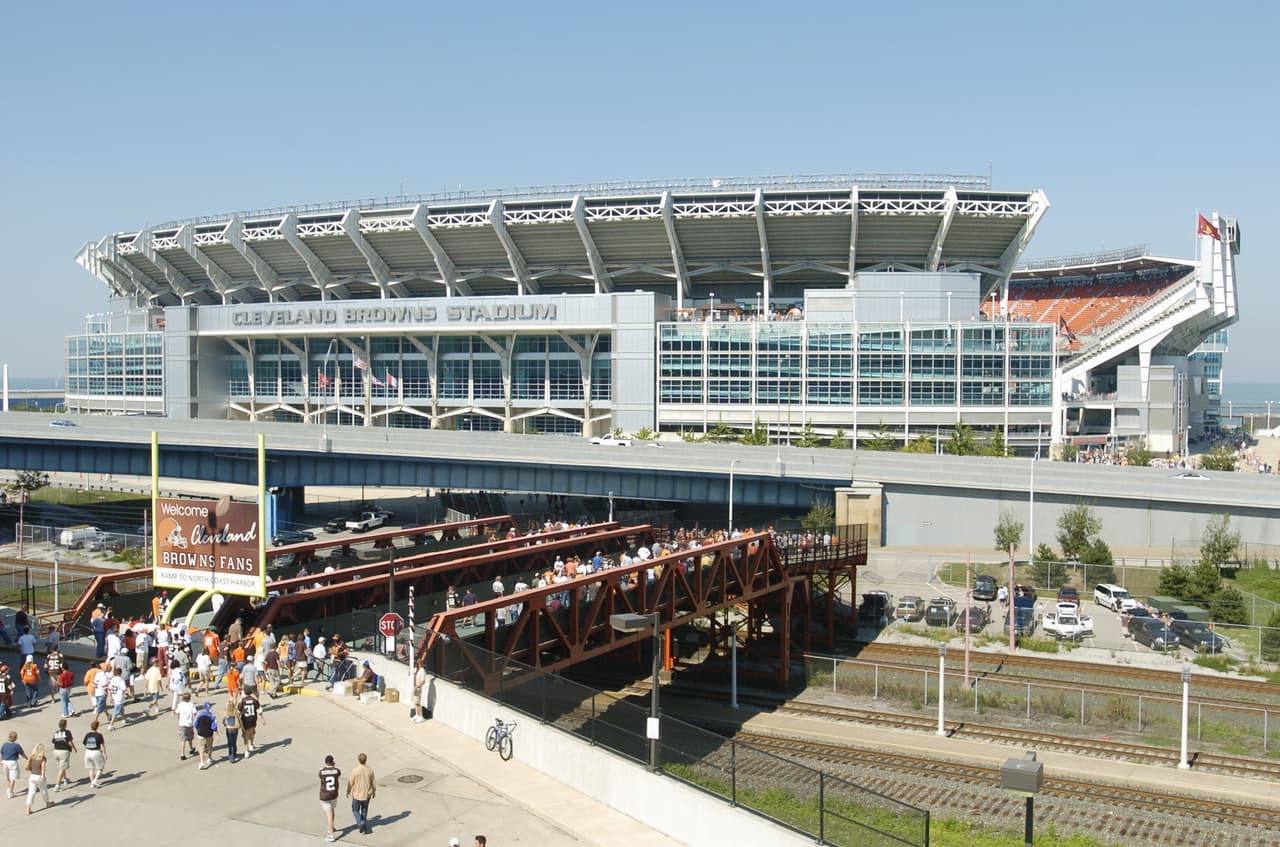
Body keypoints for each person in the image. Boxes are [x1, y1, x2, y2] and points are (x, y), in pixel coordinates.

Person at [346, 752, 376, 835]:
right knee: (364, 810)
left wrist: (348, 791)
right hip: (367, 794)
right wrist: (374, 791)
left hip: (357, 794)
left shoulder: (355, 770)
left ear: (358, 760)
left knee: (355, 810)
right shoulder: (370, 770)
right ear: (366, 760)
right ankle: (364, 824)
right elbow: (373, 782)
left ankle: (360, 822)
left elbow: (351, 782)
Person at [318, 754, 341, 842]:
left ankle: (331, 835)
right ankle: (332, 827)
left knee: (329, 815)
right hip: (334, 794)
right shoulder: (337, 771)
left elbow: (320, 775)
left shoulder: (322, 771)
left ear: (325, 762)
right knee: (332, 811)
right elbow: (337, 773)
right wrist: (333, 767)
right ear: (333, 762)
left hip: (325, 795)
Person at [24, 742, 52, 814]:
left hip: (32, 776)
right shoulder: (43, 758)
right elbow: (43, 768)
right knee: (43, 790)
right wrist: (43, 776)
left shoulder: (32, 756)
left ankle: (28, 809)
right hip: (39, 776)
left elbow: (30, 766)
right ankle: (47, 803)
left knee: (31, 793)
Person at [50, 719, 75, 791]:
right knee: (61, 768)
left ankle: (65, 779)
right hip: (64, 751)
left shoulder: (56, 732)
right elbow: (70, 742)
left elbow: (54, 741)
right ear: (65, 725)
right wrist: (74, 748)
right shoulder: (67, 732)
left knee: (62, 766)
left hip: (56, 751)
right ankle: (57, 785)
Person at [193, 701, 218, 769]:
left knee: (201, 748)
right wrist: (217, 733)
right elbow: (214, 727)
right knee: (210, 747)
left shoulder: (199, 715)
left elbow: (195, 724)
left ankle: (201, 762)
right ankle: (209, 758)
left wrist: (197, 730)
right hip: (209, 734)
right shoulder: (212, 716)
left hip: (200, 734)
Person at [2, 731, 26, 799]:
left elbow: (2, 753)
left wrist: (1, 761)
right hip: (12, 762)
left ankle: (9, 788)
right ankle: (10, 792)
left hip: (4, 762)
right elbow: (22, 753)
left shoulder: (4, 745)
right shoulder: (16, 745)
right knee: (12, 777)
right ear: (15, 738)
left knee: (8, 777)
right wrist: (27, 758)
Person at [81, 720, 106, 789]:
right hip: (96, 752)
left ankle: (92, 783)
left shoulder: (88, 734)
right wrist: (104, 754)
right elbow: (102, 746)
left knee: (91, 768)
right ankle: (95, 780)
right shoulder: (99, 735)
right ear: (97, 727)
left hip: (88, 752)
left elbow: (84, 743)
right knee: (100, 767)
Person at [238, 690, 262, 755]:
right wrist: (262, 719)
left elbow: (238, 710)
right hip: (253, 719)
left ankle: (246, 750)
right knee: (252, 731)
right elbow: (259, 710)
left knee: (246, 734)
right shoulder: (254, 699)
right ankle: (251, 744)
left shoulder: (242, 700)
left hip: (245, 720)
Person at [175, 692, 196, 760]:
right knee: (190, 738)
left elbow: (177, 712)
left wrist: (179, 717)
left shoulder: (180, 704)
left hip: (182, 724)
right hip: (189, 724)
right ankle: (191, 748)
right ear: (189, 698)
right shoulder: (191, 704)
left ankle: (182, 754)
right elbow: (195, 713)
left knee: (183, 739)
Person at [222, 698, 240, 763]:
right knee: (234, 741)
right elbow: (239, 719)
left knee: (230, 743)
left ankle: (231, 757)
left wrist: (224, 724)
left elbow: (223, 720)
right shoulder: (235, 712)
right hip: (235, 728)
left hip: (229, 729)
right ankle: (234, 752)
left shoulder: (226, 712)